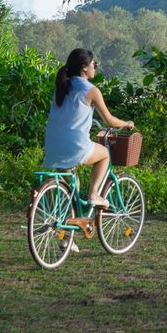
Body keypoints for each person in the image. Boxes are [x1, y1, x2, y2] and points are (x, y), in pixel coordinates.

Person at [43, 48, 133, 223]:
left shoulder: (62, 86)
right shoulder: (91, 90)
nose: (95, 67)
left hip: (53, 145)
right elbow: (109, 121)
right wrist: (127, 124)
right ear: (84, 67)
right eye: (94, 64)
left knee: (71, 186)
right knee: (105, 155)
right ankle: (93, 194)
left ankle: (66, 238)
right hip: (74, 146)